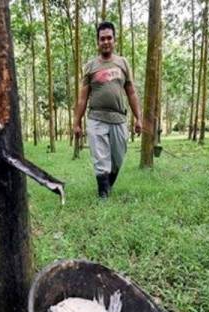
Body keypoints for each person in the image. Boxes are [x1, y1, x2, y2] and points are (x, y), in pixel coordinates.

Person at [73, 21, 142, 199]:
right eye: (102, 39)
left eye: (109, 38)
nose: (105, 41)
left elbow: (132, 92)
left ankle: (107, 186)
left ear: (114, 40)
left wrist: (138, 118)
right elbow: (82, 98)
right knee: (101, 159)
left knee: (117, 159)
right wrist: (77, 123)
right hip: (96, 118)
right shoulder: (90, 66)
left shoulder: (123, 63)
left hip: (119, 119)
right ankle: (103, 195)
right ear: (98, 41)